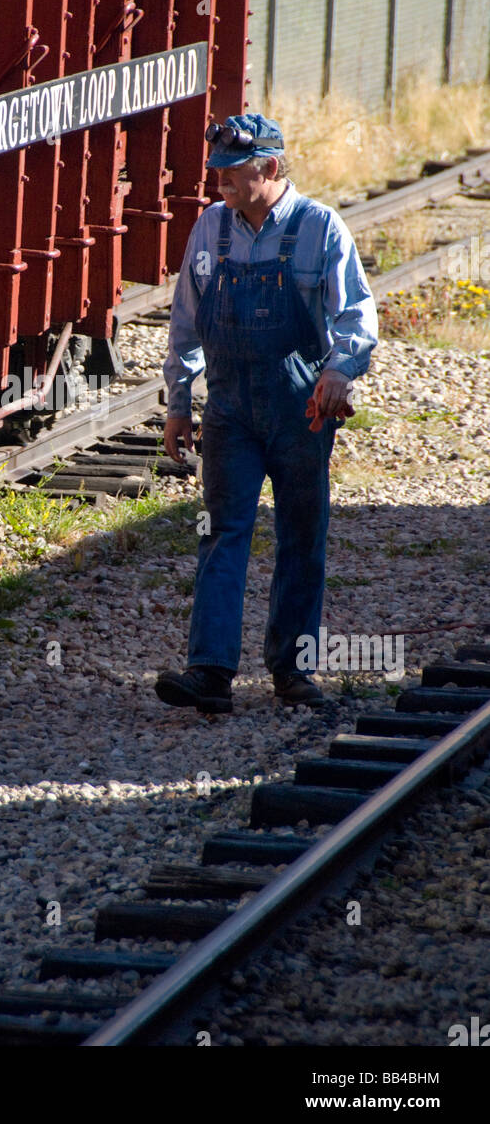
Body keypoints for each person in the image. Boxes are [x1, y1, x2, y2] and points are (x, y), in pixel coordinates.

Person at [156, 113, 378, 713]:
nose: (219, 185)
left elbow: (355, 317)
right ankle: (209, 671)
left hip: (300, 409)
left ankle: (294, 670)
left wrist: (338, 371)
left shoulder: (320, 228)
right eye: (217, 174)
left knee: (301, 534)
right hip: (229, 411)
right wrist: (179, 403)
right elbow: (185, 322)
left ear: (270, 169)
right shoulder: (210, 230)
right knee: (221, 531)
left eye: (231, 174)